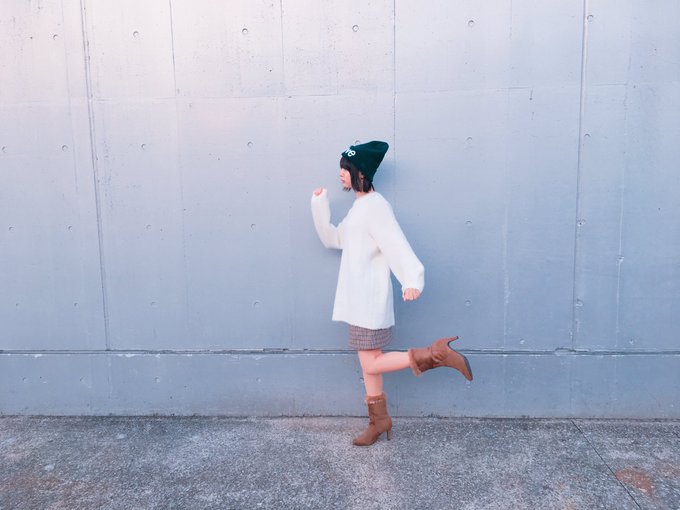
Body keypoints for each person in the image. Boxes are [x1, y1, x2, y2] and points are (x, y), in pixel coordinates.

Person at [310, 140, 473, 447]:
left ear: (361, 173)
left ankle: (434, 355)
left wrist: (412, 279)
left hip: (368, 300)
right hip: (359, 299)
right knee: (370, 364)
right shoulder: (360, 208)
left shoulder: (375, 207)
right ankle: (379, 421)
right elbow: (334, 239)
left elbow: (395, 243)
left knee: (370, 364)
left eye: (346, 169)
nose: (341, 174)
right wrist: (319, 206)